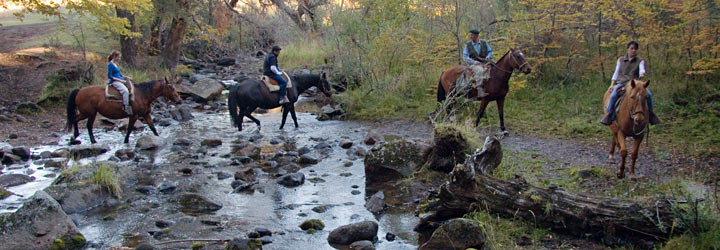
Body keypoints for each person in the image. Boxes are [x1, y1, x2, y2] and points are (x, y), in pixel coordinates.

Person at [600, 41, 660, 125]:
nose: (633, 50)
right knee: (613, 95)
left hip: (635, 84)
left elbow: (642, 68)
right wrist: (612, 84)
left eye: (635, 49)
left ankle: (651, 115)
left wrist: (642, 72)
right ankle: (609, 115)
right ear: (628, 49)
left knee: (649, 95)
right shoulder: (621, 60)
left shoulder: (640, 61)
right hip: (623, 83)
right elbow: (616, 72)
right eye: (632, 48)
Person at [462, 29, 494, 97]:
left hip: (485, 62)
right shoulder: (468, 45)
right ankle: (479, 90)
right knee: (480, 70)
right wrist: (474, 62)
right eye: (470, 35)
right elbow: (465, 56)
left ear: (476, 36)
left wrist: (488, 57)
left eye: (472, 35)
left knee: (496, 68)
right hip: (473, 64)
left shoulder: (484, 43)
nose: (470, 37)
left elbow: (490, 52)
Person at [107, 51, 132, 115]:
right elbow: (110, 76)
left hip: (120, 79)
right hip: (115, 81)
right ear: (114, 56)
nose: (119, 58)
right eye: (118, 57)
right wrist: (120, 80)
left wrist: (126, 77)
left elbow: (118, 74)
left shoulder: (115, 64)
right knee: (125, 91)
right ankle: (125, 107)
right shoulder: (110, 64)